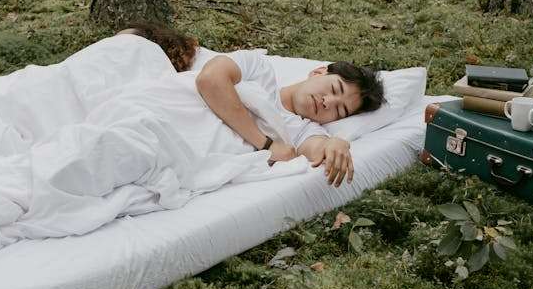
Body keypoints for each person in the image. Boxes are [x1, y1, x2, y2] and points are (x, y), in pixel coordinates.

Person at [119, 22, 385, 187]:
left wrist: (338, 143)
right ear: (318, 72)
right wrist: (266, 144)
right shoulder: (258, 70)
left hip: (176, 147)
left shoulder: (304, 130)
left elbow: (320, 149)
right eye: (334, 89)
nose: (327, 103)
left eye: (339, 110)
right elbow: (210, 80)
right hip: (160, 113)